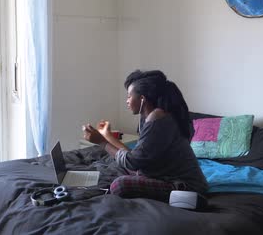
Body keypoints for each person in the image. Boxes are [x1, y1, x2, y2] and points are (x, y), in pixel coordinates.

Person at [82, 70, 208, 203]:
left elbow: (132, 162)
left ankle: (190, 201)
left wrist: (101, 142)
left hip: (184, 186)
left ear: (142, 99)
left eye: (129, 96)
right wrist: (107, 136)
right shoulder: (148, 116)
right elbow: (135, 156)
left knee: (119, 185)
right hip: (160, 174)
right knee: (115, 162)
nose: (127, 101)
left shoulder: (158, 118)